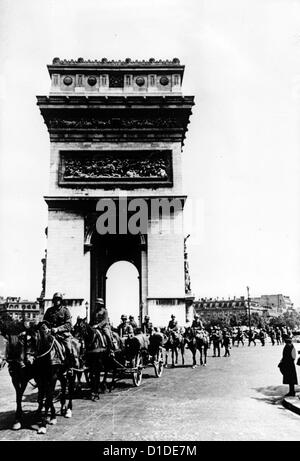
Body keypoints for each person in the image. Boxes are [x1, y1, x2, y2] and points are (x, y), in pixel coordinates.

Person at [43, 292, 74, 367]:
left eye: (58, 299)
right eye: (55, 299)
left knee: (69, 348)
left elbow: (68, 325)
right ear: (53, 301)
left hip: (63, 335)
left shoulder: (65, 310)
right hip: (50, 334)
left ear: (61, 301)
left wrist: (58, 329)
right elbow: (44, 322)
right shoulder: (49, 311)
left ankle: (69, 367)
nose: (57, 301)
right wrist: (46, 328)